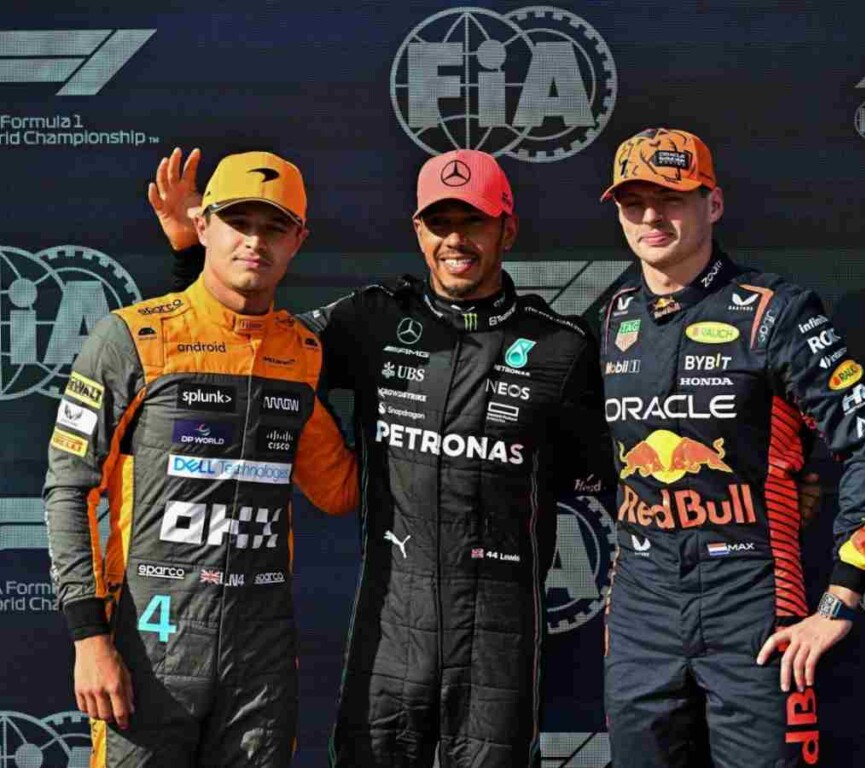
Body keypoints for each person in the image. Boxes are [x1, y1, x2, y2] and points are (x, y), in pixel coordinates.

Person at [148, 147, 613, 768]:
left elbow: (614, 474)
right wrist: (190, 258)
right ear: (417, 231)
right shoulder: (374, 318)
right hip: (389, 627)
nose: (456, 240)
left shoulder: (563, 347)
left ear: (508, 228)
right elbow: (247, 351)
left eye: (472, 221)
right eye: (439, 223)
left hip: (501, 636)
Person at [598, 128, 865, 768]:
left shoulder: (777, 313)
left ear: (713, 204)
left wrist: (839, 600)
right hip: (641, 618)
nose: (652, 216)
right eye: (635, 202)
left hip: (757, 610)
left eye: (672, 197)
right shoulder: (610, 318)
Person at [44, 151, 360, 768]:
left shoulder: (303, 355)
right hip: (149, 644)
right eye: (238, 222)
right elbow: (68, 490)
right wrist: (89, 638)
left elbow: (339, 490)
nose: (254, 242)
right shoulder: (130, 337)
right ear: (204, 224)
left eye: (274, 227)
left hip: (262, 657)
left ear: (299, 239)